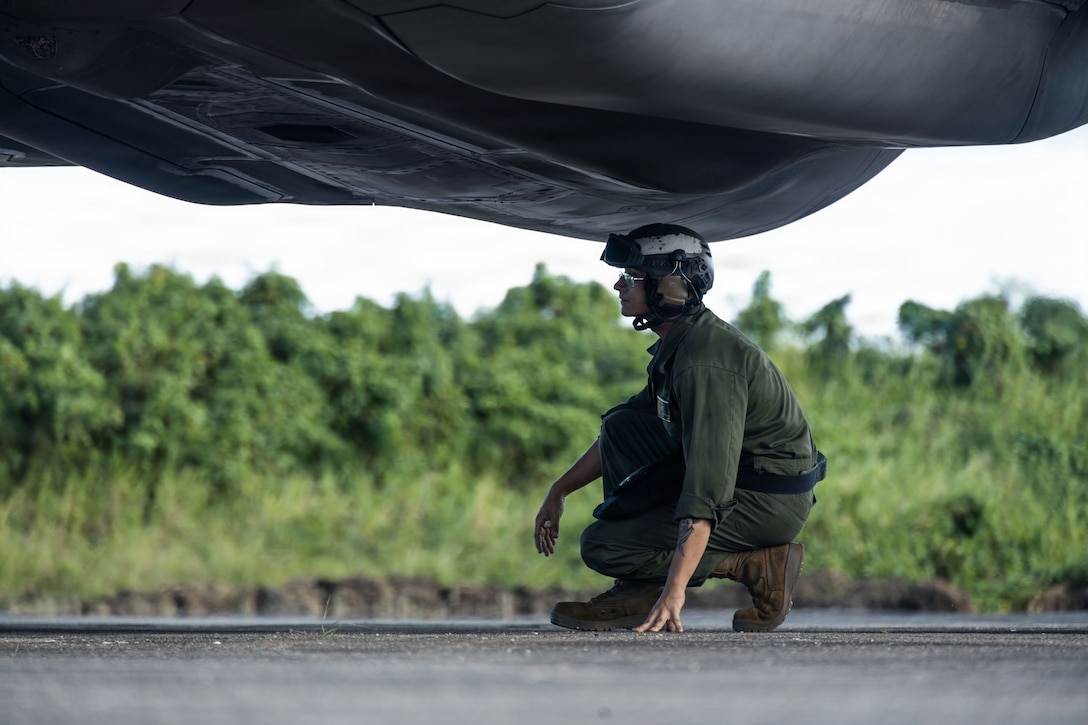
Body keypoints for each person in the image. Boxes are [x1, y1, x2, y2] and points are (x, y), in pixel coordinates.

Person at [533, 223, 825, 633]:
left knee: (604, 545)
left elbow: (707, 491)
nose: (619, 285)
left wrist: (674, 592)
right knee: (622, 425)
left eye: (632, 277)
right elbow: (622, 433)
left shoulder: (706, 362)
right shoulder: (681, 342)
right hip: (744, 478)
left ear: (671, 287)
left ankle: (755, 564)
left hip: (768, 497)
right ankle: (638, 587)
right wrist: (558, 490)